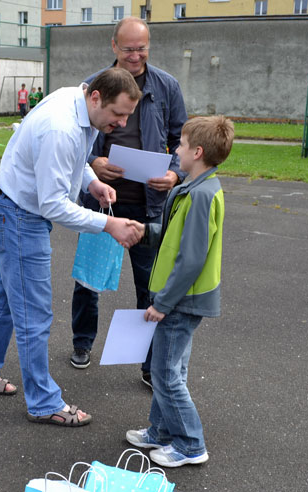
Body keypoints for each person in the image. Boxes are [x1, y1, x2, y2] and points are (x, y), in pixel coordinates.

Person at [0, 67, 144, 427]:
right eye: (118, 114)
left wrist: (91, 183)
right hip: (19, 216)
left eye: (127, 115)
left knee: (7, 297)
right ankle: (43, 402)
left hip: (10, 207)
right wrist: (109, 224)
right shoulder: (60, 127)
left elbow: (76, 159)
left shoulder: (79, 102)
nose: (122, 123)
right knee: (33, 313)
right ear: (96, 97)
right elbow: (53, 205)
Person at [69, 18, 188, 386]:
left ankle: (148, 364)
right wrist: (94, 163)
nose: (135, 56)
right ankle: (82, 342)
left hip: (148, 206)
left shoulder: (167, 86)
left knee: (149, 286)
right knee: (89, 280)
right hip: (102, 201)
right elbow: (78, 136)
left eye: (142, 48)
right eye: (128, 49)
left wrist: (174, 175)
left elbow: (181, 139)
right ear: (113, 46)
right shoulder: (94, 84)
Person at [125, 115, 234, 467]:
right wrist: (146, 231)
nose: (176, 150)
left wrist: (163, 303)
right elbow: (176, 235)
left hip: (181, 302)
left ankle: (190, 444)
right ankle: (160, 431)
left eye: (182, 145)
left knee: (166, 374)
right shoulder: (191, 188)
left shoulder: (201, 195)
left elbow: (191, 259)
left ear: (197, 152)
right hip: (177, 299)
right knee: (167, 370)